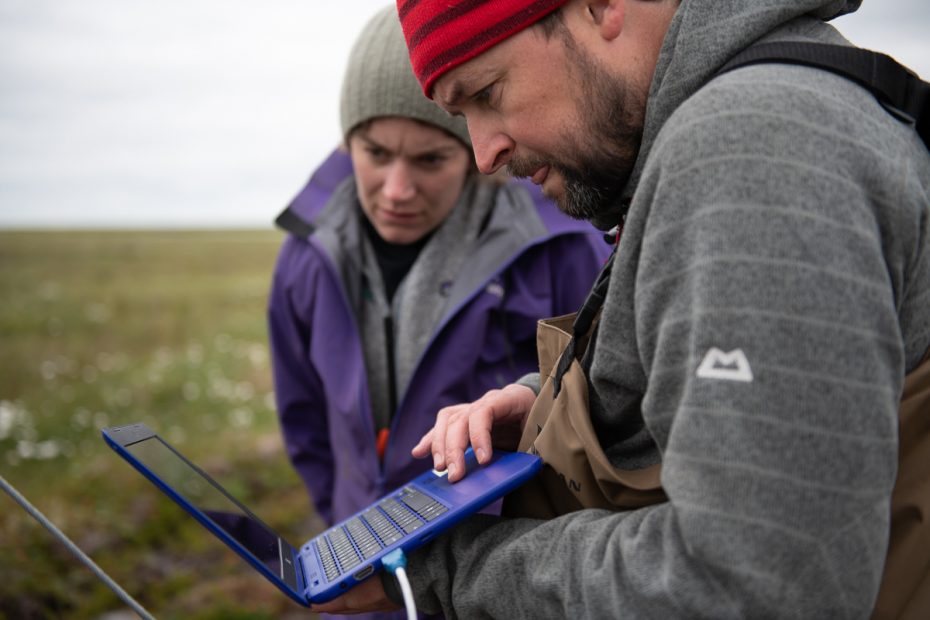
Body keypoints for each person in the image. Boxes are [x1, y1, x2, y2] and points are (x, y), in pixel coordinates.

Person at [313, 0, 930, 618]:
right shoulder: (765, 110)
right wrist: (547, 409)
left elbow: (750, 587)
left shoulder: (752, 149)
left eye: (488, 93)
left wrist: (450, 568)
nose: (484, 154)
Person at [267, 6, 608, 617]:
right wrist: (346, 534)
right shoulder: (306, 258)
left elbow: (599, 418)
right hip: (362, 588)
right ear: (348, 144)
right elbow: (305, 421)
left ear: (476, 153)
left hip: (499, 589)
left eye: (430, 160)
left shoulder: (565, 247)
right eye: (374, 153)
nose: (397, 189)